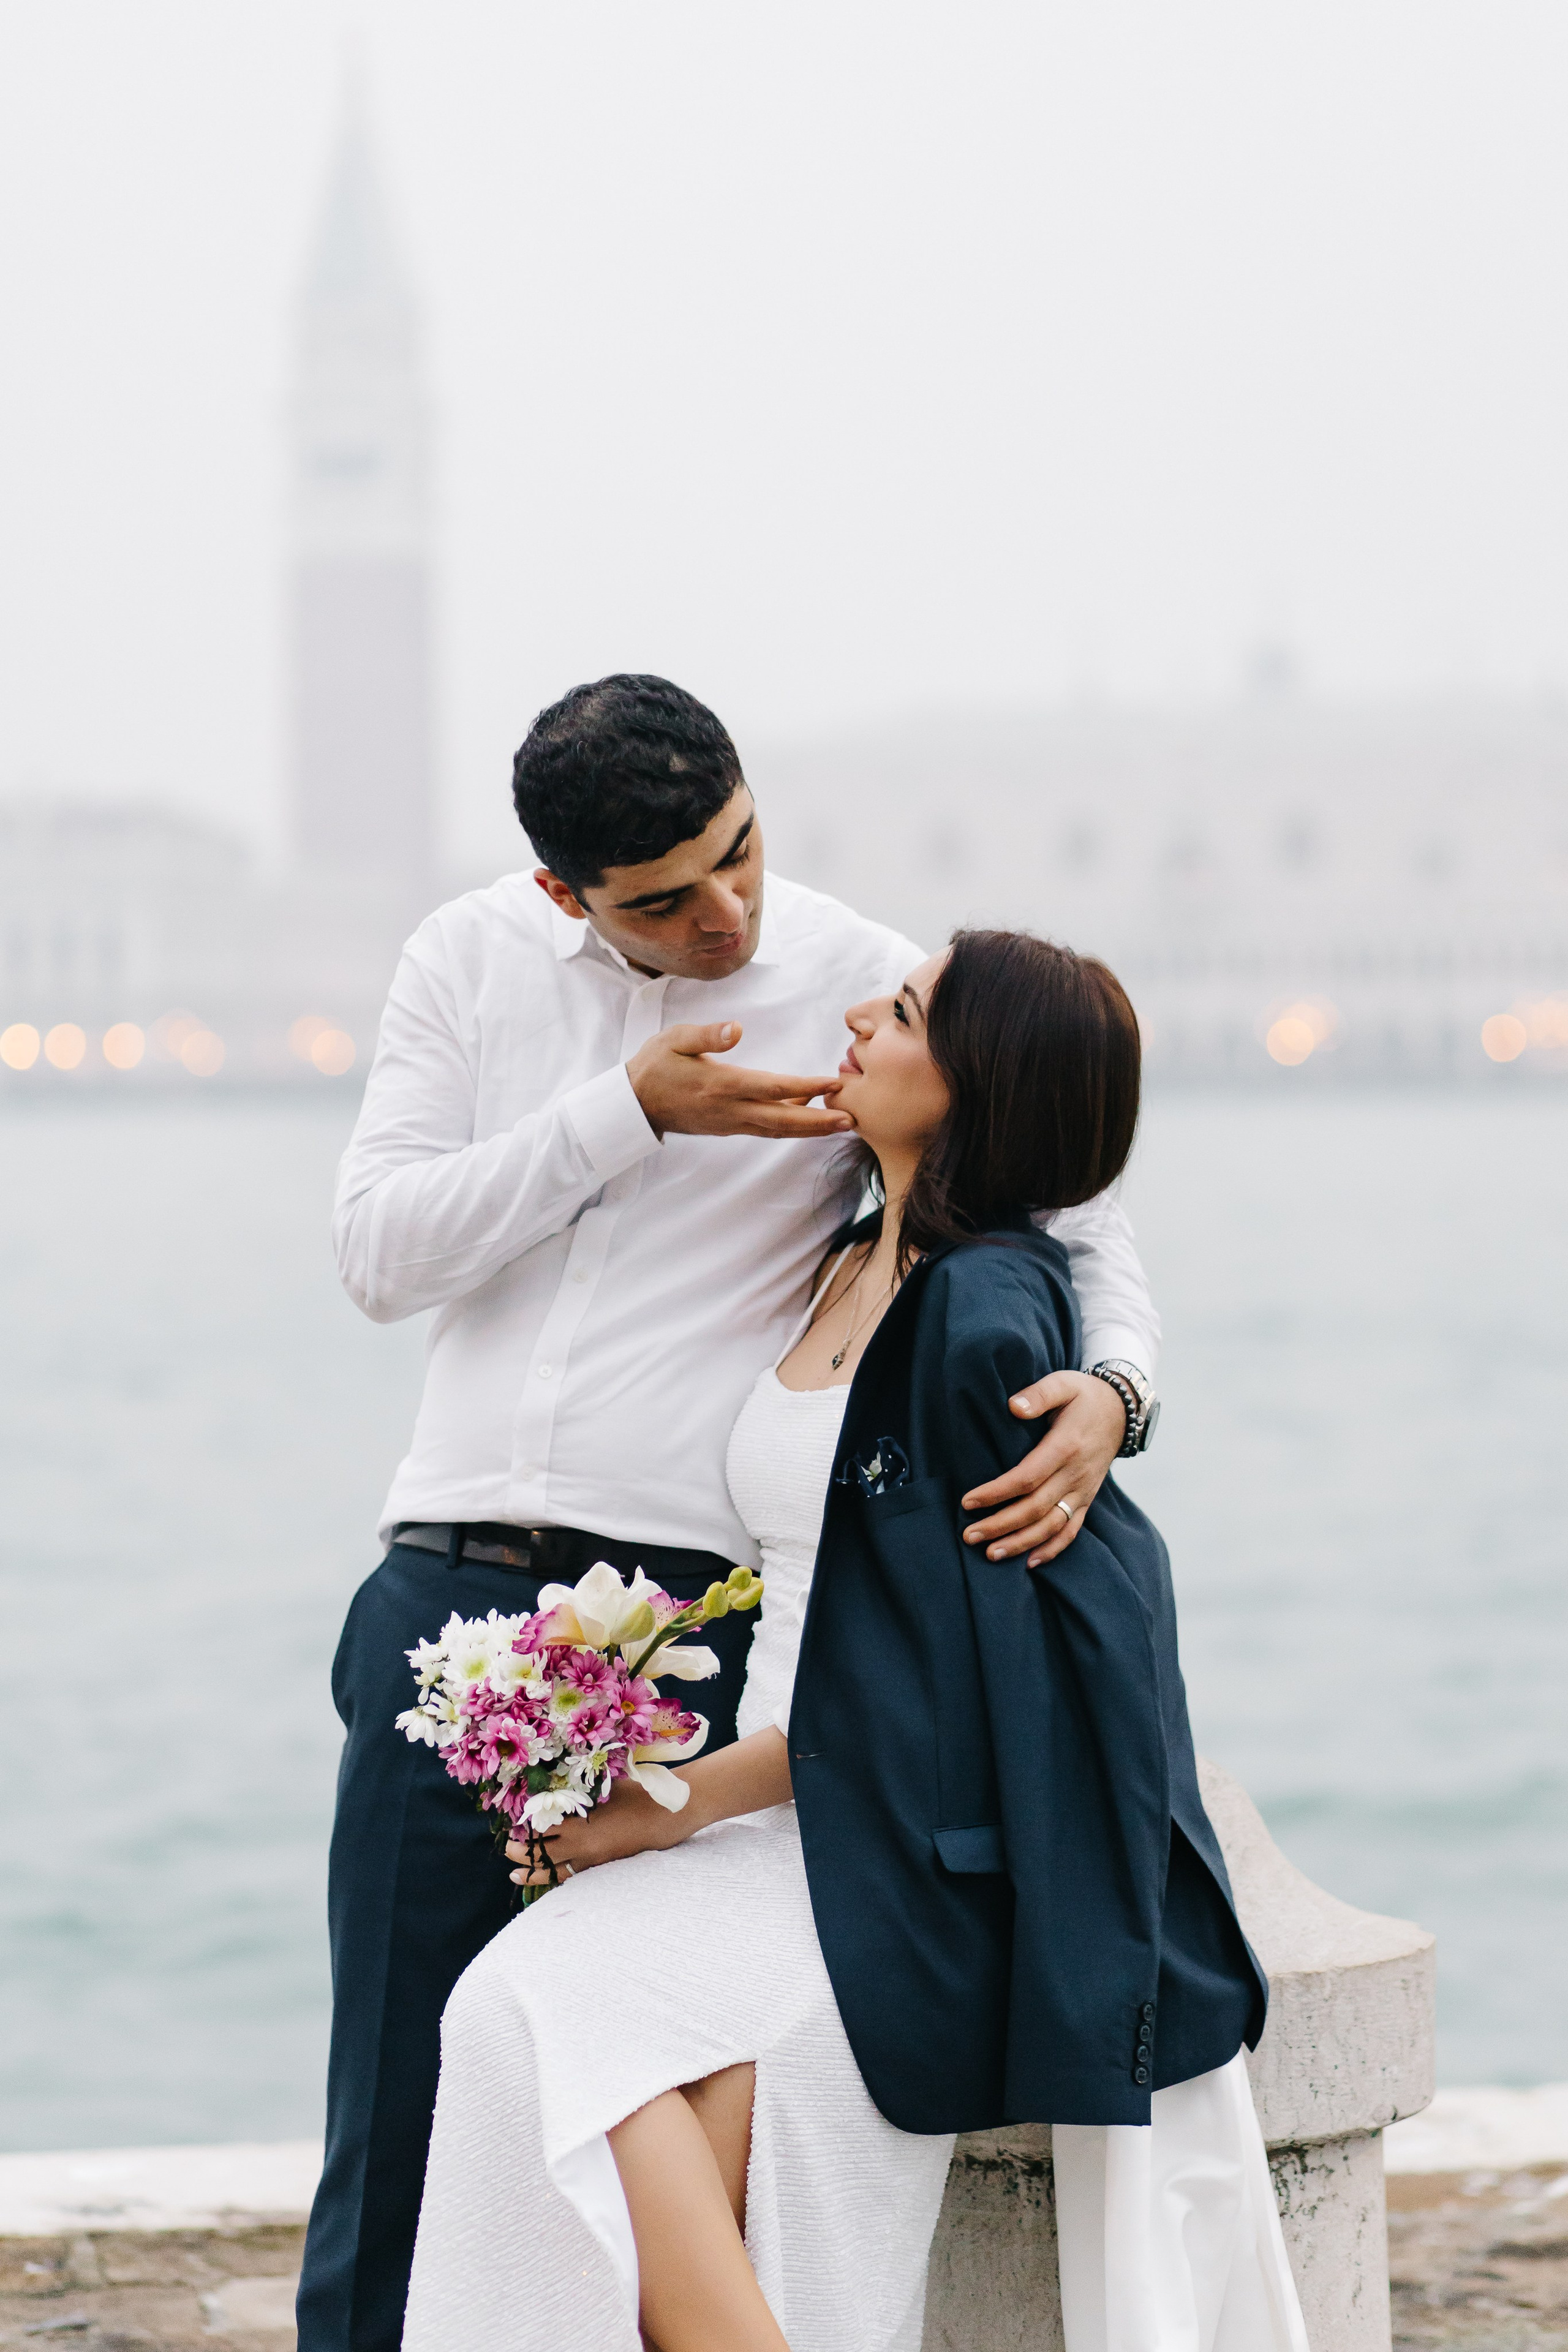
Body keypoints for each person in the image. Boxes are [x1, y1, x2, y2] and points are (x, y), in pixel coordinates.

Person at [296, 676, 1162, 2352]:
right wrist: (622, 1119)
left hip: (697, 1629)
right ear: (567, 895)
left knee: (650, 2091)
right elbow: (378, 1258)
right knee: (398, 2095)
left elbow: (1083, 1207)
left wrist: (1116, 1398)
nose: (729, 911)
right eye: (667, 901)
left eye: (741, 854)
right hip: (446, 1599)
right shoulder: (463, 962)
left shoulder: (862, 982)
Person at [402, 930, 1307, 2352]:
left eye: (896, 1015)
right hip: (782, 1808)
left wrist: (680, 1803)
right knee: (615, 2082)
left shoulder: (980, 1317)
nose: (853, 1019)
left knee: (532, 2007)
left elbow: (944, 1688)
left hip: (874, 1844)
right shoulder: (849, 1243)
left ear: (970, 1090)